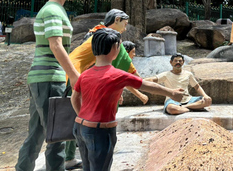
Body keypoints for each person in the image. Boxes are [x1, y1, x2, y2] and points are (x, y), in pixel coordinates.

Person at [71, 28, 184, 171]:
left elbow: (74, 98)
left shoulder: (85, 74)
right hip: (100, 130)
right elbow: (146, 85)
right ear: (115, 48)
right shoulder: (118, 75)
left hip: (80, 127)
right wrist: (172, 93)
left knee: (87, 168)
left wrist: (82, 116)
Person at [16, 0, 82, 171]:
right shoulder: (53, 10)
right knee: (57, 134)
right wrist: (74, 76)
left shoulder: (52, 9)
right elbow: (55, 45)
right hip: (49, 79)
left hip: (40, 79)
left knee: (36, 133)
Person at [64, 10, 148, 169]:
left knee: (77, 121)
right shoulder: (110, 38)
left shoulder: (94, 33)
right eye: (125, 23)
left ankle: (69, 157)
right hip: (83, 85)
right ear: (117, 20)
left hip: (77, 80)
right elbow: (130, 74)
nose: (125, 27)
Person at [145, 53, 212, 115]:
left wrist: (205, 95)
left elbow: (197, 87)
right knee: (172, 109)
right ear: (171, 62)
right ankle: (192, 108)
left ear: (183, 62)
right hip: (172, 100)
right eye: (176, 61)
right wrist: (139, 81)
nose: (178, 63)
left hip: (188, 100)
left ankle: (184, 107)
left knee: (208, 101)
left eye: (180, 61)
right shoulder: (166, 74)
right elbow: (152, 79)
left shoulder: (188, 74)